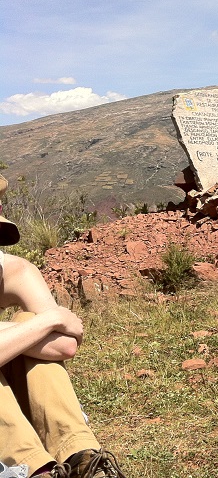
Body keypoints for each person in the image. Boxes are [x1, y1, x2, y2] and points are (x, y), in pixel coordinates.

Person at [0, 175, 126, 478]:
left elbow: (65, 346)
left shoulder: (15, 270)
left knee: (30, 325)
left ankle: (79, 457)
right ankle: (30, 469)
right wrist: (52, 318)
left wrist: (39, 323)